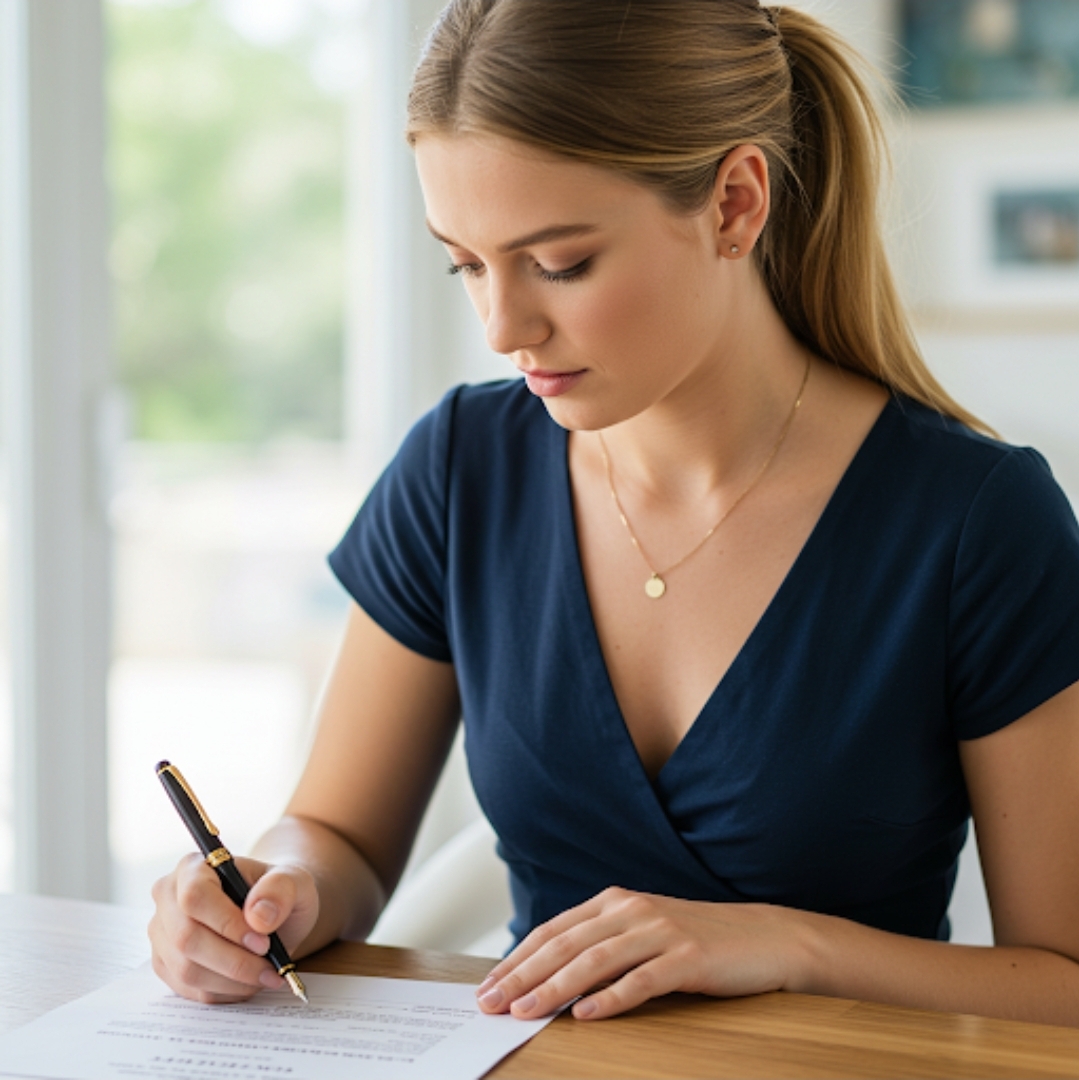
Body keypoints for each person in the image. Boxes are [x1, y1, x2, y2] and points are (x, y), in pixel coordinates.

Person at [149, 0, 1079, 1027]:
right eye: (464, 263)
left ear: (732, 203)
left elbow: (1062, 980)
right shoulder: (462, 468)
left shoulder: (976, 522)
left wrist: (787, 943)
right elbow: (341, 838)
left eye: (559, 263)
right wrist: (269, 890)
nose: (502, 325)